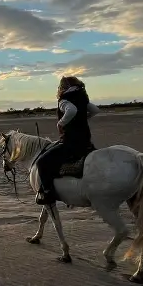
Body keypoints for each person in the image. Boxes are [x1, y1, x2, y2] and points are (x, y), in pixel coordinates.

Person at [33, 75, 100, 205]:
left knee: (41, 163)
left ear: (63, 87)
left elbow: (72, 110)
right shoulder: (82, 97)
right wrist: (84, 118)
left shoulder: (64, 100)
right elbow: (96, 110)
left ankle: (48, 193)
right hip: (85, 141)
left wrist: (61, 123)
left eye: (59, 86)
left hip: (71, 143)